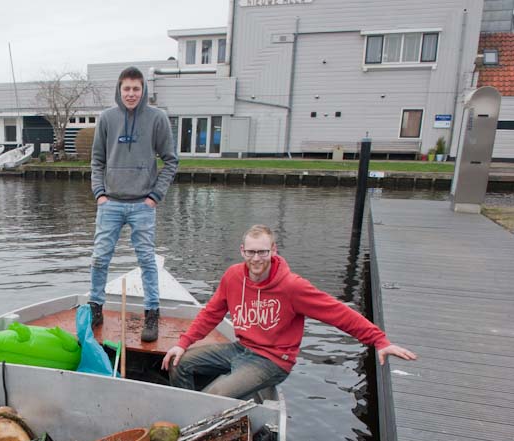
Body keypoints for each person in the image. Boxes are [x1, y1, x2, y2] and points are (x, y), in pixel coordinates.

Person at [162, 224, 416, 400]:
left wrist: (379, 340)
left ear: (273, 250)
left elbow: (338, 313)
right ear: (242, 251)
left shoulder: (292, 287)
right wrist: (183, 343)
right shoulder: (233, 276)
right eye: (251, 252)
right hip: (242, 348)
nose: (256, 258)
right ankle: (191, 414)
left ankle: (199, 423)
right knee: (179, 363)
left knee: (215, 395)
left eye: (262, 252)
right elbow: (211, 313)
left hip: (271, 361)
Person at [89, 66, 179, 342]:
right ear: (119, 90)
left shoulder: (157, 119)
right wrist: (99, 194)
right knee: (100, 258)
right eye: (126, 89)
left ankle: (151, 313)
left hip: (143, 204)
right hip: (111, 203)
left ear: (143, 90)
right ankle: (95, 307)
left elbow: (171, 160)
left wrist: (155, 196)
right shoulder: (107, 118)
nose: (131, 94)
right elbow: (97, 160)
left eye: (136, 89)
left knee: (147, 261)